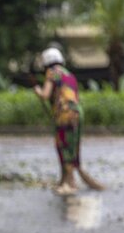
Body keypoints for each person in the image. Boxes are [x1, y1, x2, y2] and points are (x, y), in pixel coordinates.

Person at [33, 47, 104, 195]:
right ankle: (64, 180)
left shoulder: (52, 73)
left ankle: (70, 184)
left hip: (64, 115)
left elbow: (45, 95)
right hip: (77, 113)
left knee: (64, 147)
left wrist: (37, 91)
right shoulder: (69, 75)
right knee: (72, 148)